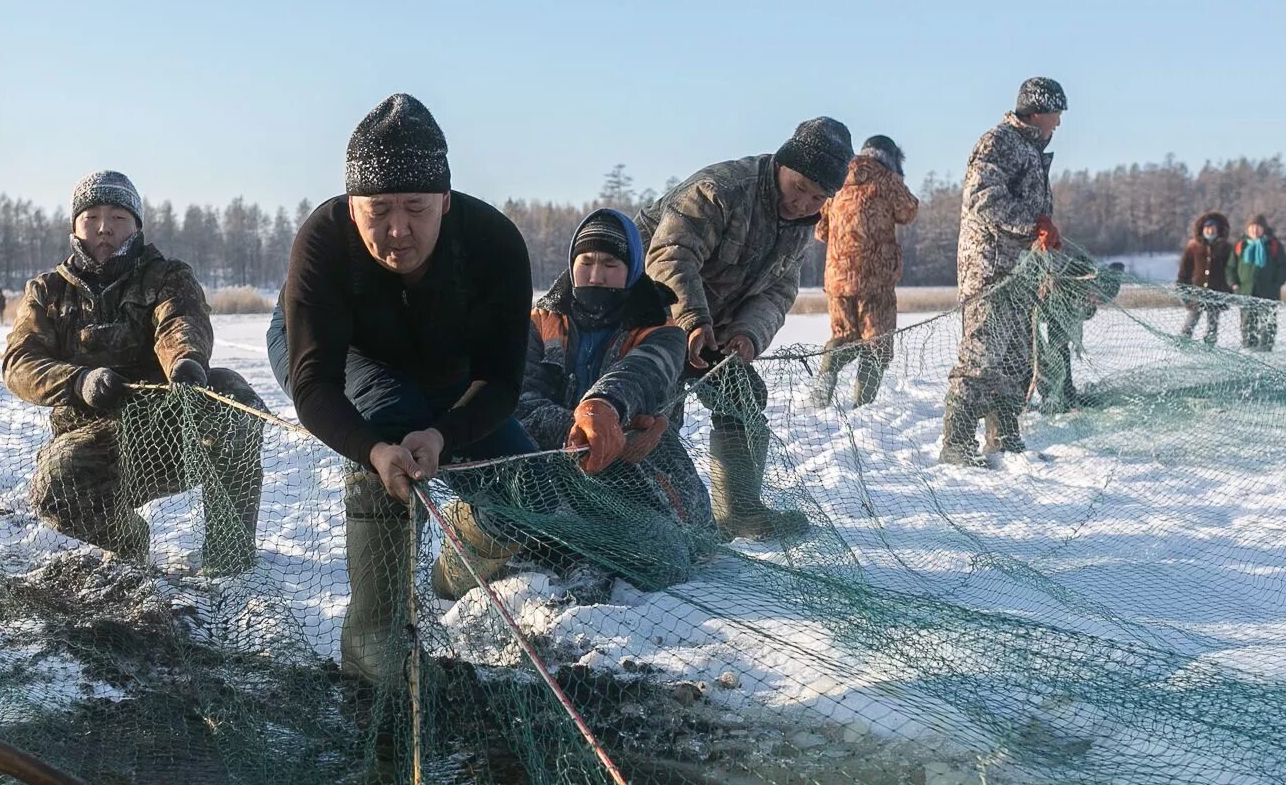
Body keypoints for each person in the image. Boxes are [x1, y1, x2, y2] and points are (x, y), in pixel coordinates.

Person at [268, 93, 534, 683]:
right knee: (388, 427)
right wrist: (372, 450)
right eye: (377, 209)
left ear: (444, 199)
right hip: (338, 351)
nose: (396, 230)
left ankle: (455, 568)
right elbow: (314, 383)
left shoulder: (493, 244)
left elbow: (501, 381)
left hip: (441, 359)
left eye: (415, 208)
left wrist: (444, 433)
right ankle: (372, 638)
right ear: (351, 202)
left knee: (524, 483)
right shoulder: (323, 240)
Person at [3, 171, 266, 568]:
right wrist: (80, 381)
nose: (104, 228)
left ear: (136, 226)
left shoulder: (167, 275)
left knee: (232, 393)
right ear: (75, 225)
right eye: (91, 217)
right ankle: (128, 541)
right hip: (92, 443)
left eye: (118, 217)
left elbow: (179, 320)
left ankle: (229, 555)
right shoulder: (46, 291)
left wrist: (184, 362)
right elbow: (19, 364)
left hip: (168, 431)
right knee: (52, 488)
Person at [634, 117, 853, 537]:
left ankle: (739, 511)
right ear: (782, 165)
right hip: (648, 317)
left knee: (743, 394)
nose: (803, 203)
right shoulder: (720, 190)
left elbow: (778, 291)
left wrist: (748, 336)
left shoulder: (800, 226)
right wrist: (692, 321)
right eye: (799, 187)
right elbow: (669, 258)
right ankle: (653, 513)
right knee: (658, 412)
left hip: (712, 329)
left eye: (817, 197)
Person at [512, 208, 709, 591]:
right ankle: (572, 553)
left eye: (610, 263)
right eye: (585, 262)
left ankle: (586, 552)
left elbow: (641, 374)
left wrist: (603, 407)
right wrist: (578, 429)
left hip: (637, 472)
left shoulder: (663, 331)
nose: (596, 275)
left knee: (669, 560)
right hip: (552, 466)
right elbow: (522, 397)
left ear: (632, 267)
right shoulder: (538, 323)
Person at [940, 77, 1066, 466]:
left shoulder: (1030, 149)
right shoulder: (999, 142)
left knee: (1015, 360)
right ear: (1039, 111)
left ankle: (1004, 439)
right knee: (980, 358)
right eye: (1056, 114)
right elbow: (983, 199)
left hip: (1020, 273)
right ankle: (956, 445)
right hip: (991, 273)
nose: (1058, 124)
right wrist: (1033, 224)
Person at [809, 135, 919, 407]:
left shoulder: (836, 179)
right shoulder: (886, 178)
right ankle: (862, 406)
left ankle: (827, 372)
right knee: (876, 344)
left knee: (844, 337)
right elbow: (909, 211)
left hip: (837, 279)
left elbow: (820, 231)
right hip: (875, 280)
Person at [1032, 258, 1124, 413]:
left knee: (1059, 353)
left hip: (1055, 315)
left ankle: (1062, 396)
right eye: (1097, 297)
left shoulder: (1082, 296)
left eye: (1100, 301)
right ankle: (1053, 398)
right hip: (1039, 313)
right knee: (1048, 356)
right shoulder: (1068, 286)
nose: (1096, 302)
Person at [1177, 212, 1234, 346]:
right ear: (1202, 229)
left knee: (1213, 325)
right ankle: (1183, 343)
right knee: (1191, 320)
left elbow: (1230, 270)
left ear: (1218, 229)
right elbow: (1184, 271)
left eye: (1213, 227)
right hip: (1197, 291)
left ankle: (1210, 347)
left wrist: (1229, 290)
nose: (1210, 230)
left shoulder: (1226, 248)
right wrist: (1182, 288)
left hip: (1217, 292)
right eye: (1207, 227)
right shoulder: (1193, 246)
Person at [1235, 215, 1286, 350]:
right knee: (1247, 322)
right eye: (1251, 227)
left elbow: (1283, 267)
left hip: (1268, 291)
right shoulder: (1241, 246)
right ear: (1247, 230)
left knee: (1268, 322)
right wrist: (1234, 284)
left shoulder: (1273, 245)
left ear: (1263, 229)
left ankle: (1265, 348)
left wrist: (1276, 283)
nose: (1254, 230)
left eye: (1258, 227)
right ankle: (1248, 347)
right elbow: (1231, 267)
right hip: (1246, 291)